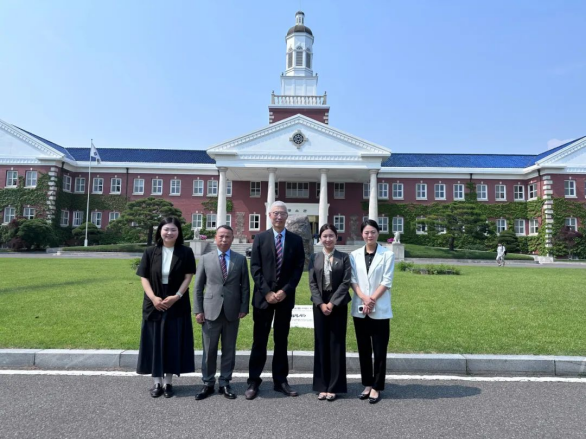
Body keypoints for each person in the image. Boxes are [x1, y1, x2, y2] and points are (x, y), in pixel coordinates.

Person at [245, 201, 305, 400]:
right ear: (269, 215)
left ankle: (280, 381)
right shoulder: (260, 238)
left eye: (282, 213)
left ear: (287, 216)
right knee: (259, 340)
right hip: (263, 299)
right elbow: (255, 268)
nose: (279, 217)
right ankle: (253, 381)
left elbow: (298, 269)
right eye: (275, 213)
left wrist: (285, 291)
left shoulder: (296, 240)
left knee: (281, 340)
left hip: (285, 299)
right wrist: (267, 292)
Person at [136, 217, 196, 398]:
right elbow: (144, 277)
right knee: (154, 341)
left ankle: (168, 382)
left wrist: (177, 296)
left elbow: (188, 276)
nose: (169, 233)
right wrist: (153, 298)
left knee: (172, 341)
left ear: (179, 232)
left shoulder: (185, 252)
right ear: (160, 231)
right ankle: (157, 382)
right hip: (154, 301)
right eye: (166, 229)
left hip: (176, 301)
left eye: (173, 230)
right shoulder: (150, 252)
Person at [193, 225, 250, 401]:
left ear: (232, 238)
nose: (224, 240)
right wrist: (198, 310)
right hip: (210, 311)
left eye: (227, 237)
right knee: (209, 350)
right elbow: (198, 287)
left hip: (232, 311)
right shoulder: (205, 259)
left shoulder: (240, 259)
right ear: (215, 238)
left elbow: (245, 286)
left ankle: (225, 382)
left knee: (229, 349)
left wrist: (244, 307)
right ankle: (208, 382)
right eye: (221, 236)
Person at [350, 219, 395, 405]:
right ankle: (367, 384)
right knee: (364, 349)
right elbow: (353, 280)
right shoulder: (354, 255)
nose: (370, 235)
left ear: (378, 233)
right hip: (360, 308)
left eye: (373, 232)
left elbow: (387, 280)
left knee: (379, 349)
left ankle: (377, 386)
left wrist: (372, 299)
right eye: (366, 232)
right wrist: (364, 298)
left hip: (380, 308)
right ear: (362, 234)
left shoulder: (387, 255)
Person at [309, 224, 352, 402]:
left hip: (338, 304)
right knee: (320, 343)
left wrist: (332, 303)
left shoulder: (344, 257)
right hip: (320, 304)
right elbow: (312, 283)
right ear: (320, 238)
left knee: (336, 343)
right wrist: (320, 303)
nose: (328, 239)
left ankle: (334, 386)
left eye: (331, 236)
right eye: (324, 236)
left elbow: (346, 282)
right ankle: (321, 385)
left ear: (336, 237)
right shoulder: (315, 257)